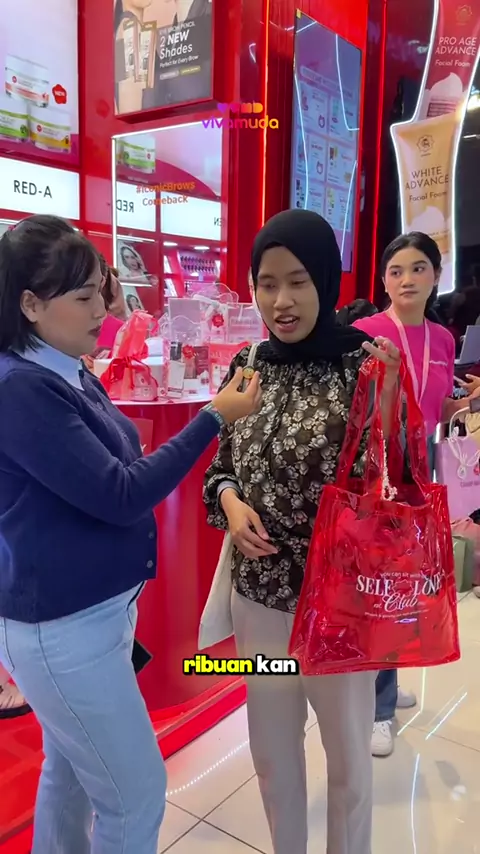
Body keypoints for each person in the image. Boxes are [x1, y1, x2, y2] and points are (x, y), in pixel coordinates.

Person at [0, 214, 262, 854]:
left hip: (91, 618)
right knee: (136, 793)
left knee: (70, 774)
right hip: (63, 631)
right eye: (83, 296)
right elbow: (120, 493)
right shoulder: (23, 389)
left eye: (102, 291)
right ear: (30, 304)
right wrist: (212, 418)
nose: (102, 310)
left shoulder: (65, 367)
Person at [204, 209, 402, 854]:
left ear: (325, 280)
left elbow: (395, 487)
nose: (280, 301)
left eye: (297, 282)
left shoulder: (365, 367)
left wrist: (394, 408)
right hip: (260, 598)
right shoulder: (248, 363)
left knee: (347, 760)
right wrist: (231, 503)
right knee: (271, 752)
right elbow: (220, 466)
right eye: (267, 283)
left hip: (339, 605)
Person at [352, 231, 464, 758]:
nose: (407, 279)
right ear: (383, 281)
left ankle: (388, 679)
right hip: (377, 478)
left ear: (436, 276)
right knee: (381, 589)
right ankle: (377, 707)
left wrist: (463, 409)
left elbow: (436, 406)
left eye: (419, 268)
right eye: (396, 271)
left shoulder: (443, 340)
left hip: (421, 477)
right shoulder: (366, 332)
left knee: (406, 586)